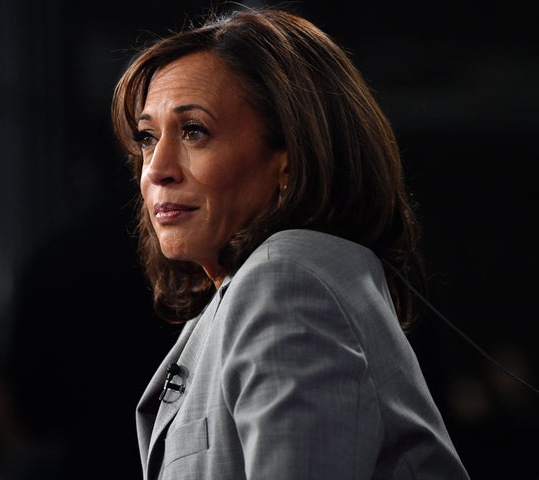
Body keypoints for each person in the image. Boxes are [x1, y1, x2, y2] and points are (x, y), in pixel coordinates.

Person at [110, 4, 471, 479]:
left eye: (194, 131)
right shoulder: (251, 291)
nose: (155, 170)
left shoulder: (286, 282)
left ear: (290, 158)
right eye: (147, 138)